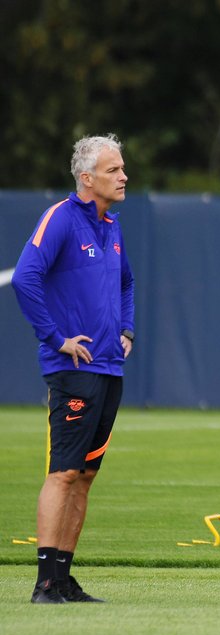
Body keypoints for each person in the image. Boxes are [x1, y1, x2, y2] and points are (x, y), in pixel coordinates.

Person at [12, 133, 135, 604]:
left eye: (122, 169)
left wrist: (127, 330)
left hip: (108, 368)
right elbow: (26, 278)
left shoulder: (113, 225)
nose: (123, 177)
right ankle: (44, 583)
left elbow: (127, 284)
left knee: (85, 476)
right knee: (63, 473)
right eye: (113, 170)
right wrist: (55, 337)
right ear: (87, 178)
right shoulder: (61, 218)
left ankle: (64, 578)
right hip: (74, 369)